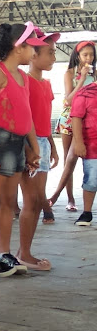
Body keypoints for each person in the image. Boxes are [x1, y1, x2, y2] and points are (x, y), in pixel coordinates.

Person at [0, 22, 46, 277]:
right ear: (18, 47)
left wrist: (33, 146)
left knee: (9, 201)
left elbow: (26, 115)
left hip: (18, 143)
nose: (34, 53)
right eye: (31, 47)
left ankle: (4, 252)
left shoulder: (23, 77)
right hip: (0, 141)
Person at [15, 29, 59, 269]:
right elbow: (24, 117)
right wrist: (28, 147)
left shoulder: (45, 84)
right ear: (34, 55)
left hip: (42, 142)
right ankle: (24, 253)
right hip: (29, 144)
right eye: (49, 53)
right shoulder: (25, 81)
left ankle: (24, 251)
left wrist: (52, 145)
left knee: (35, 201)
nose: (54, 57)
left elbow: (44, 117)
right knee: (31, 200)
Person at [49, 41, 96, 210]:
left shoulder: (95, 74)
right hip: (70, 118)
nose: (88, 58)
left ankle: (57, 195)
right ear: (77, 56)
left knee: (80, 158)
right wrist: (81, 79)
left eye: (91, 55)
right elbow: (68, 100)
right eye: (85, 55)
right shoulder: (69, 73)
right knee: (69, 159)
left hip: (89, 120)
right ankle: (70, 199)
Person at [70, 81, 97, 226]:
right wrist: (79, 142)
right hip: (92, 146)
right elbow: (76, 117)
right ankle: (87, 213)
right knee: (91, 180)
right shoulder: (85, 92)